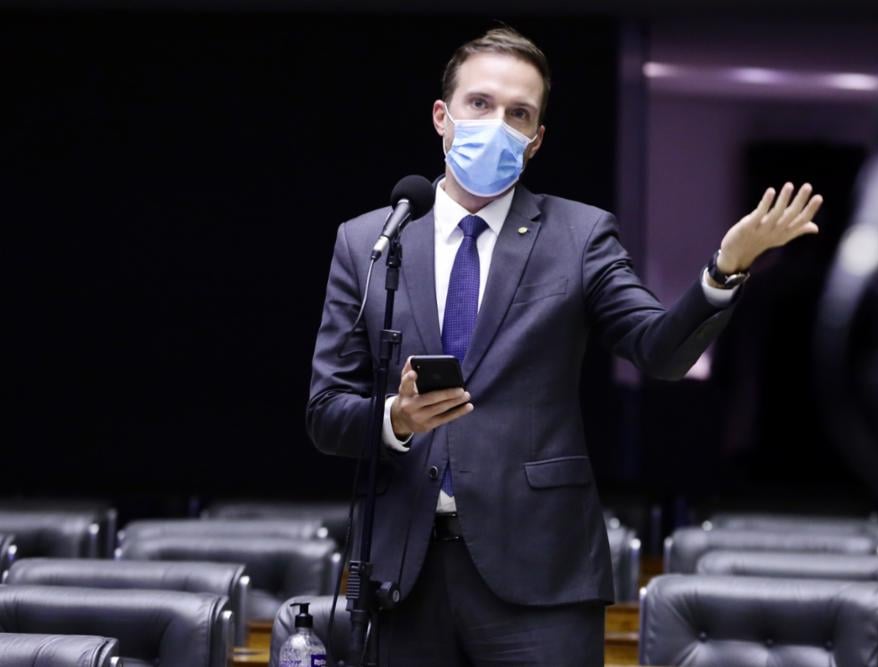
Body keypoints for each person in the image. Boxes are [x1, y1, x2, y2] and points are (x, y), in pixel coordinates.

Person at [307, 26, 823, 667]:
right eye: (480, 104)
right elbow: (327, 411)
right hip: (400, 572)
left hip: (539, 575)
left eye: (519, 114)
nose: (497, 124)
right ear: (443, 117)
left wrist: (722, 270)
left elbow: (659, 350)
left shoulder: (578, 235)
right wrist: (395, 420)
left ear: (536, 140)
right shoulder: (372, 241)